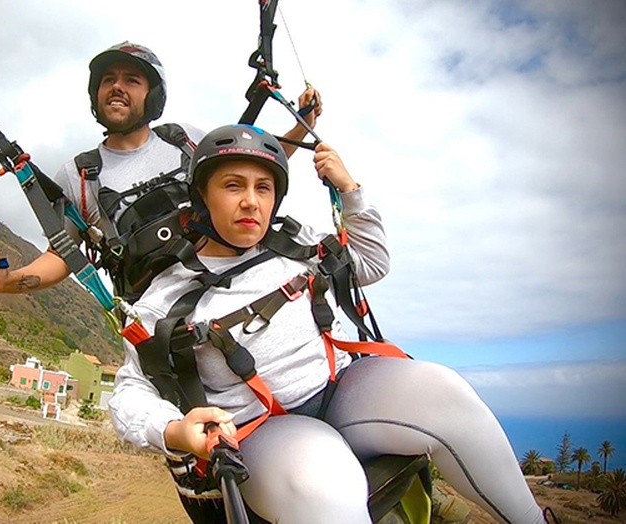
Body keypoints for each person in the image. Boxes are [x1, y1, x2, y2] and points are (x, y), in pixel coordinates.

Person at [108, 124, 549, 523]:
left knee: (443, 388)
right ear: (202, 196)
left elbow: (371, 263)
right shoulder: (163, 300)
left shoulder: (295, 244)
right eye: (232, 185)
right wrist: (174, 431)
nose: (251, 201)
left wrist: (350, 191)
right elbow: (131, 390)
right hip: (265, 432)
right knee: (326, 488)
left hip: (342, 393)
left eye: (264, 188)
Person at [0, 42, 321, 295]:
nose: (117, 87)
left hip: (240, 285)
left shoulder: (186, 140)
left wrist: (300, 125)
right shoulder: (79, 174)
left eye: (132, 80)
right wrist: (9, 279)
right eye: (109, 80)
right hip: (167, 320)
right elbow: (63, 256)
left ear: (152, 96)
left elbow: (249, 173)